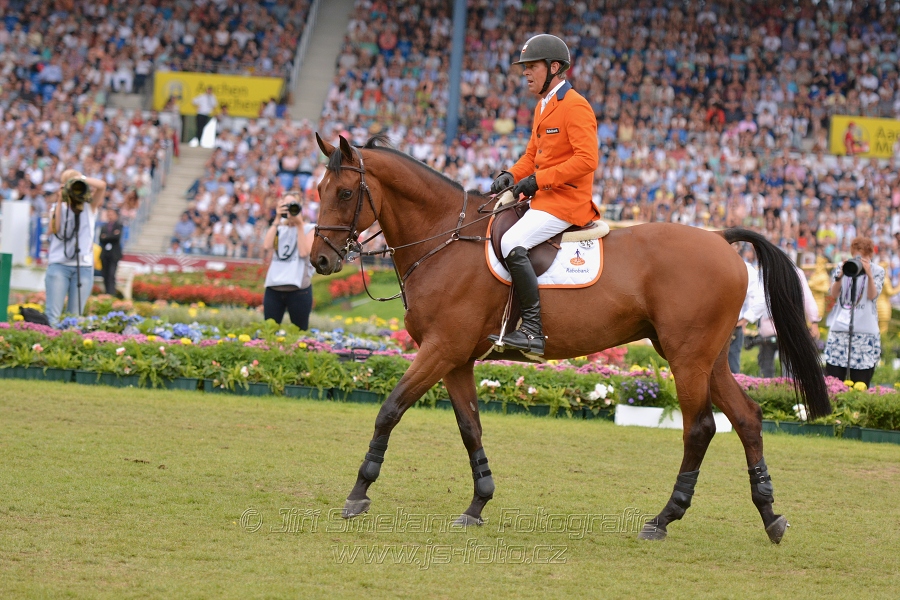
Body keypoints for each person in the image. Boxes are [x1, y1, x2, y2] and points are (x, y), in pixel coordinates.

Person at [486, 34, 600, 356]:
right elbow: (531, 156)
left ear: (554, 67)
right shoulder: (542, 106)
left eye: (532, 67)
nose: (526, 73)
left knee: (511, 242)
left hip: (566, 202)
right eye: (524, 68)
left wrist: (538, 181)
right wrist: (512, 175)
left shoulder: (575, 105)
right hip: (544, 198)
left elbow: (587, 159)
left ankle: (533, 331)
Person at [46, 170, 106, 327]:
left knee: (75, 318)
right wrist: (60, 201)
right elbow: (55, 229)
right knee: (52, 315)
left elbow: (102, 186)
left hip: (83, 266)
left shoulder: (89, 206)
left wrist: (82, 179)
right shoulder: (58, 207)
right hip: (59, 264)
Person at [824, 236, 884, 387]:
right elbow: (833, 293)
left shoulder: (877, 271)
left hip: (864, 333)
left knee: (860, 384)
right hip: (840, 331)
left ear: (870, 256)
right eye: (856, 255)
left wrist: (869, 274)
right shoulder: (843, 267)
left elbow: (872, 295)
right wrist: (841, 275)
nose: (858, 260)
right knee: (833, 383)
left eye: (863, 257)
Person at [757, 266, 820, 378]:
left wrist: (814, 321)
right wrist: (813, 322)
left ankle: (773, 393)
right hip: (779, 329)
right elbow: (807, 298)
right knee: (778, 373)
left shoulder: (792, 272)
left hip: (780, 330)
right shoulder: (765, 271)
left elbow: (807, 297)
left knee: (778, 374)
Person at [263, 193, 315, 330]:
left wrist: (299, 225)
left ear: (300, 207)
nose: (289, 209)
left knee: (299, 332)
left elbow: (304, 252)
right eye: (285, 205)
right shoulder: (279, 228)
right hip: (274, 288)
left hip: (298, 290)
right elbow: (267, 245)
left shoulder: (310, 228)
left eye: (293, 205)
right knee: (269, 331)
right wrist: (277, 218)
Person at [729, 244, 766, 374]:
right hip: (710, 326)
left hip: (733, 327)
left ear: (738, 247)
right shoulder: (711, 266)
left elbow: (761, 298)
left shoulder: (747, 269)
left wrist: (744, 320)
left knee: (732, 370)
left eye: (731, 244)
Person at [98, 207, 123, 296]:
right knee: (105, 274)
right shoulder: (104, 226)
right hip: (105, 254)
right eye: (108, 214)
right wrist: (111, 236)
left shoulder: (119, 225)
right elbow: (101, 238)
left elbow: (116, 238)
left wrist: (107, 237)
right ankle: (106, 293)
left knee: (111, 275)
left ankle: (112, 293)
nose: (110, 216)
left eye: (111, 214)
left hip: (114, 254)